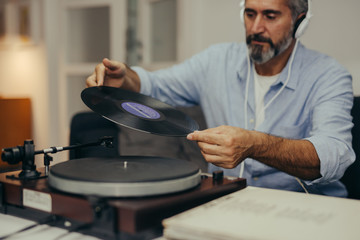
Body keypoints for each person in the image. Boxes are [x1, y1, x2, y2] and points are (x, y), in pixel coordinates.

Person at [86, 0, 355, 197]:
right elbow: (155, 84)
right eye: (250, 14)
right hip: (229, 204)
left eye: (270, 16)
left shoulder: (329, 76)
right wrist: (125, 79)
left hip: (305, 210)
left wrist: (254, 144)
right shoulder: (216, 61)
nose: (256, 27)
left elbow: (335, 154)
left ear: (300, 21)